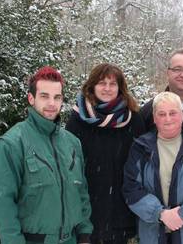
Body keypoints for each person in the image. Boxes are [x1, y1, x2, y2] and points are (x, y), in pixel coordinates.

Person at [0, 66, 93, 244]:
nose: (52, 103)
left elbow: (81, 192)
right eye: (44, 96)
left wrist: (84, 233)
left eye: (57, 97)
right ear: (31, 98)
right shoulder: (11, 144)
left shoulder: (72, 143)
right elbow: (4, 205)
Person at [122, 91, 183, 244]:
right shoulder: (140, 148)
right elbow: (131, 189)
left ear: (182, 115)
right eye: (161, 114)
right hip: (153, 236)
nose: (167, 119)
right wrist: (160, 214)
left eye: (173, 113)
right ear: (155, 119)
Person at [65, 63, 145, 244]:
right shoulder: (77, 120)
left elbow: (143, 166)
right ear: (92, 85)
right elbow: (70, 169)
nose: (107, 88)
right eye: (102, 83)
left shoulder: (134, 119)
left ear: (120, 87)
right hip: (87, 214)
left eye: (113, 83)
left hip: (123, 214)